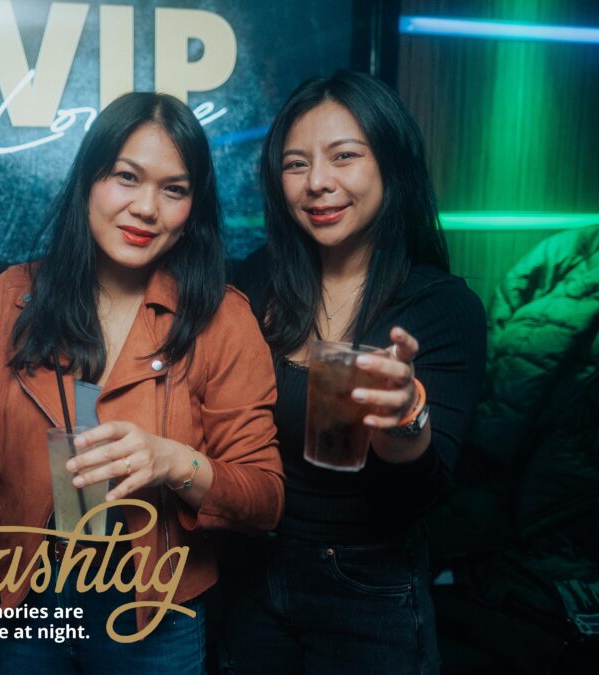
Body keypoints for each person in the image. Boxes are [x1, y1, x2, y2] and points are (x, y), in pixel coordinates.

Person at [0, 92, 285, 675]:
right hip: (22, 598)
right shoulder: (13, 298)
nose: (146, 207)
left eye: (174, 189)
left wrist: (172, 461)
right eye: (126, 177)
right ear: (89, 179)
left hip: (152, 611)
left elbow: (265, 499)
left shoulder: (222, 319)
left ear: (193, 208)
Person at [219, 70, 487, 674]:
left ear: (392, 164)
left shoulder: (441, 307)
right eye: (296, 164)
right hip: (248, 574)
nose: (317, 182)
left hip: (368, 588)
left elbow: (423, 494)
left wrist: (402, 421)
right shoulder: (254, 281)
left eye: (344, 156)